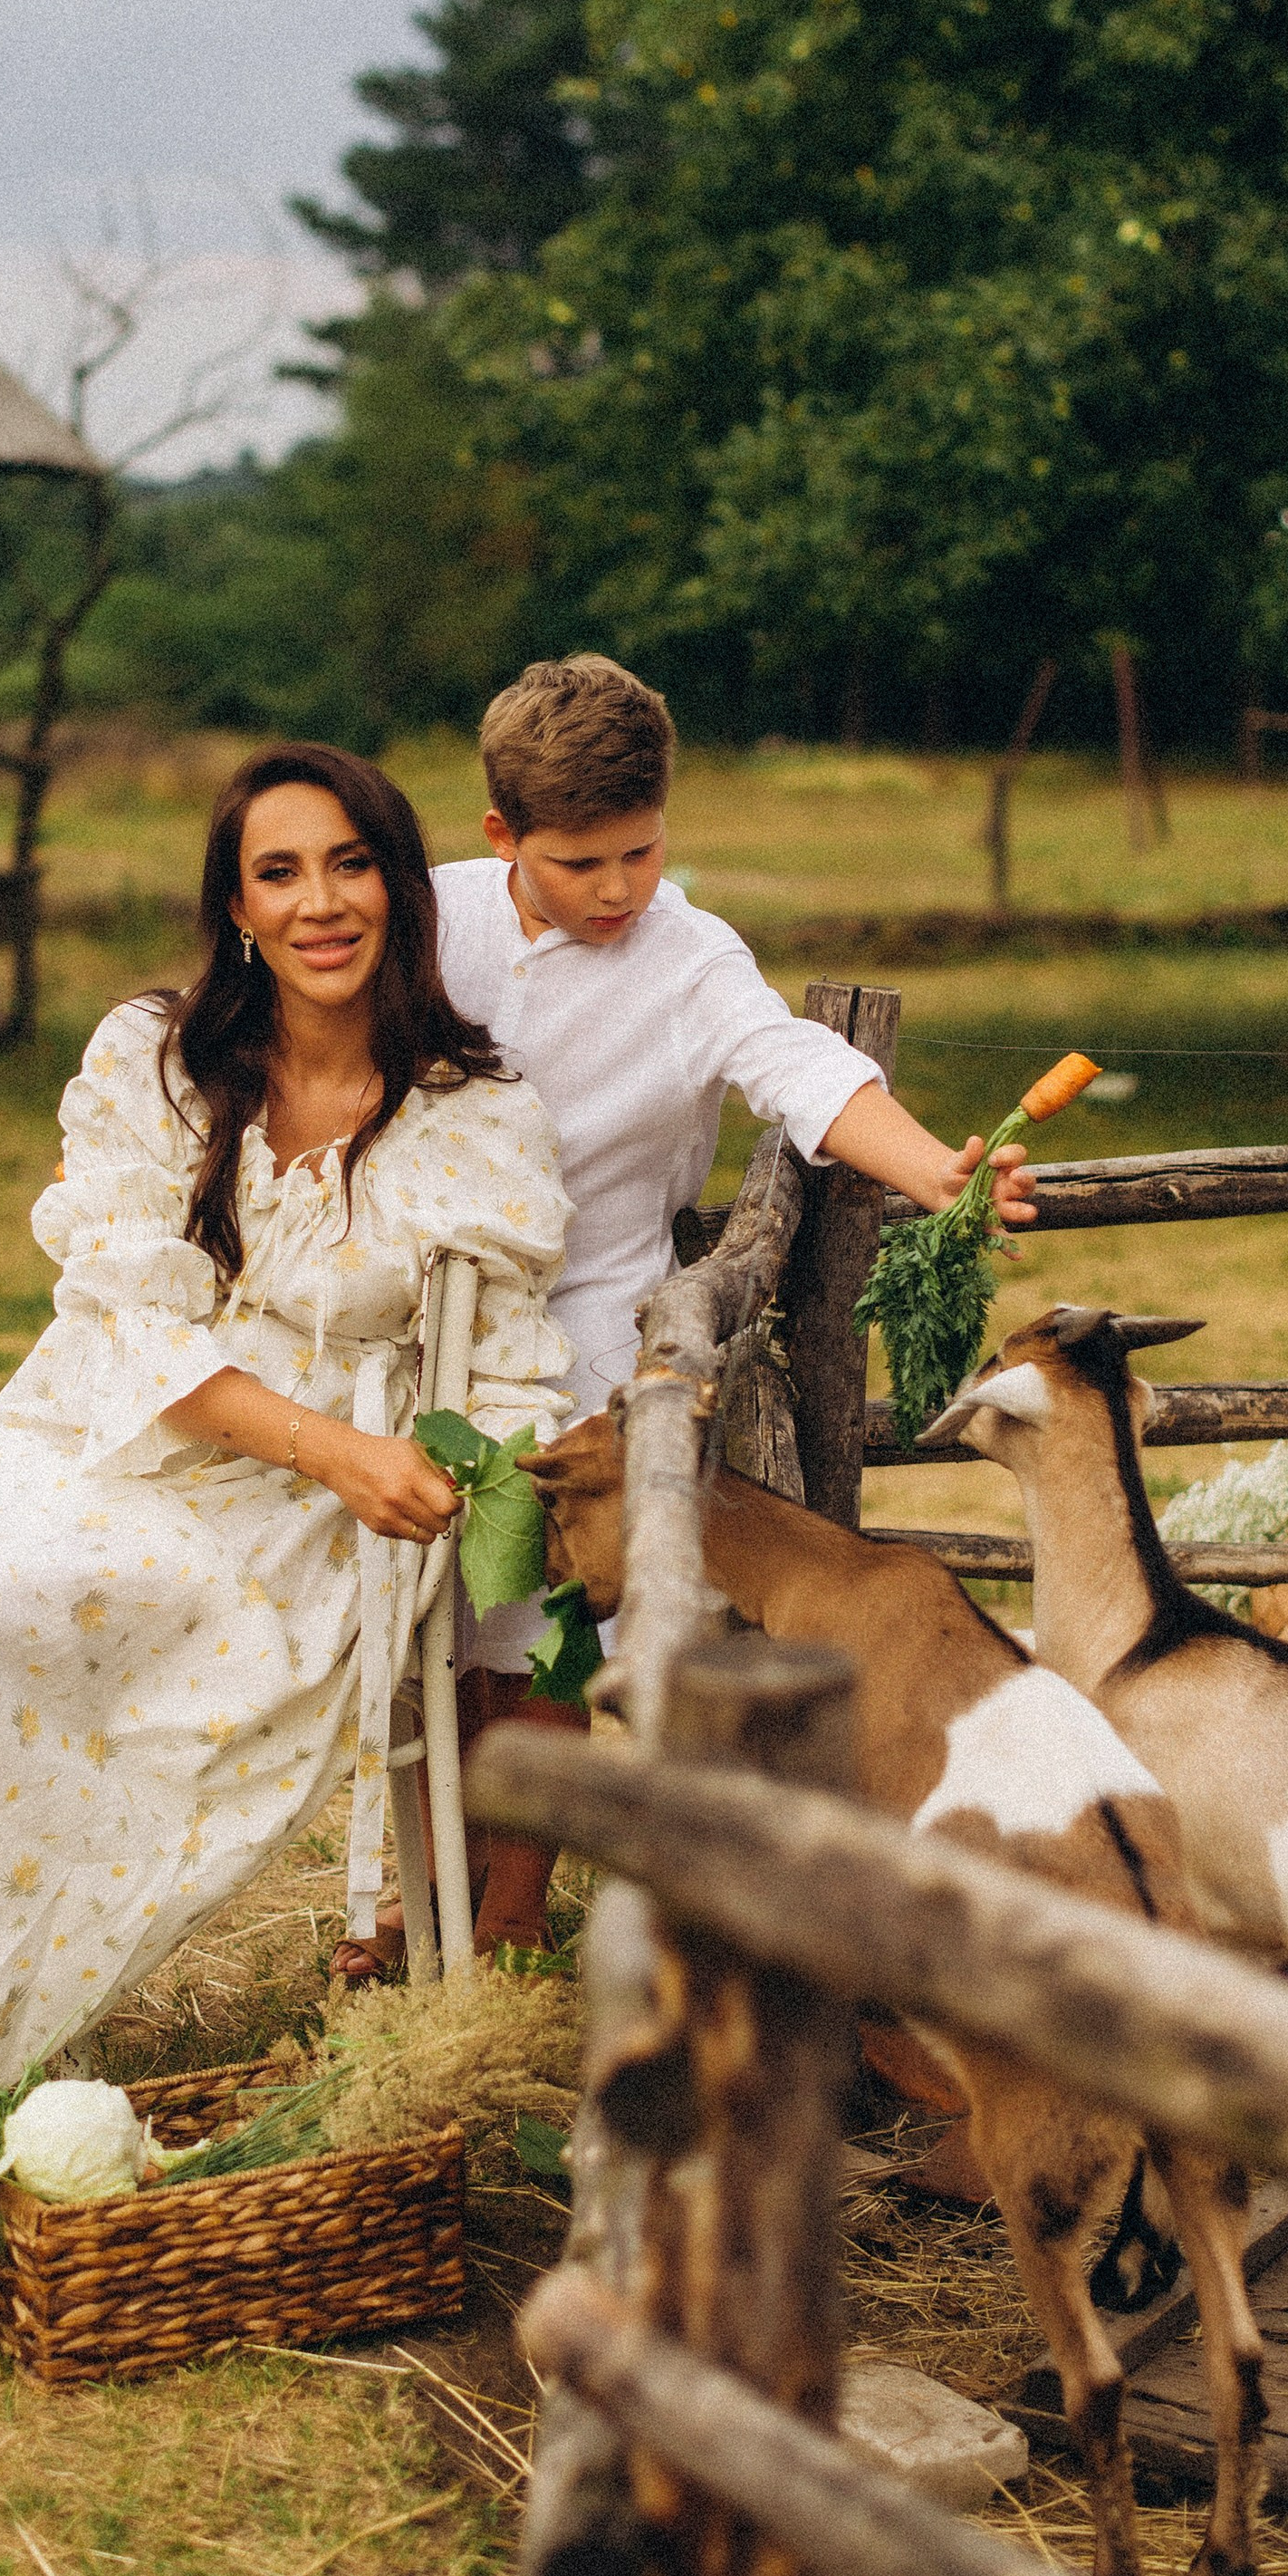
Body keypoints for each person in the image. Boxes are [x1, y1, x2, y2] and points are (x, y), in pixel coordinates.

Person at [0, 745, 571, 2240]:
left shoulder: (471, 1115)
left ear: (400, 892)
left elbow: (508, 1370)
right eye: (280, 871)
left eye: (350, 864)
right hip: (122, 1422)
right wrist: (322, 1441)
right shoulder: (157, 1061)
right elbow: (124, 1320)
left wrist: (450, 1474)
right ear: (236, 907)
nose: (320, 901)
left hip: (296, 1519)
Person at [421, 651, 1039, 1963]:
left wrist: (938, 1166)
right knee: (419, 1613)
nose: (620, 889)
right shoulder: (431, 918)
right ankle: (417, 1884)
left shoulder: (690, 956)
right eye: (582, 863)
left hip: (592, 1310)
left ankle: (517, 1907)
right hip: (419, 1310)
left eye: (642, 853)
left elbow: (799, 1066)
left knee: (542, 1605)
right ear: (501, 837)